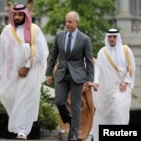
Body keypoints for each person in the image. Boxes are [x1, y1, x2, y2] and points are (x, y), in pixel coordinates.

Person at [0, 3, 49, 140]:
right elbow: (1, 52)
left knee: (25, 100)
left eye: (20, 14)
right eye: (15, 14)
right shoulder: (7, 31)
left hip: (30, 73)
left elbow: (41, 52)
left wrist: (27, 67)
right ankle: (19, 128)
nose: (17, 17)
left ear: (25, 15)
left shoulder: (35, 30)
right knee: (15, 101)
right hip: (12, 73)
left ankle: (22, 131)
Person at [45, 11, 94, 141]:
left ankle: (73, 134)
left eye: (70, 22)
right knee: (60, 102)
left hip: (77, 76)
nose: (67, 24)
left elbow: (89, 61)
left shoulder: (84, 39)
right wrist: (48, 73)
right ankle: (71, 120)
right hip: (61, 74)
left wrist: (90, 80)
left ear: (76, 23)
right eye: (66, 21)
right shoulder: (59, 36)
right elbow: (53, 55)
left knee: (76, 106)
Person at [91, 28, 136, 141]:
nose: (112, 39)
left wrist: (126, 82)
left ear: (117, 37)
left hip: (122, 89)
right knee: (106, 117)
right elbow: (98, 69)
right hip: (107, 91)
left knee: (119, 115)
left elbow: (131, 69)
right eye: (110, 37)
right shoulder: (102, 52)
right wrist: (96, 82)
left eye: (114, 36)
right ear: (107, 37)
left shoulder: (126, 50)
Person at [57, 58, 96, 141]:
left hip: (86, 95)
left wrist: (88, 84)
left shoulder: (92, 61)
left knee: (84, 125)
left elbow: (96, 78)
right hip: (71, 94)